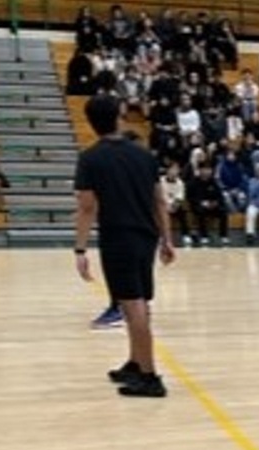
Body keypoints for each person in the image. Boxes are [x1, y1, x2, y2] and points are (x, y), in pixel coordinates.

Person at [74, 94, 176, 398]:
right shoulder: (143, 155)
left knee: (132, 305)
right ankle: (136, 362)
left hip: (118, 238)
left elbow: (87, 207)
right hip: (146, 237)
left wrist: (80, 249)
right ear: (119, 116)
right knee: (139, 301)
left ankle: (150, 377)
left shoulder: (90, 158)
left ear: (91, 123)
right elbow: (160, 200)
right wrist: (167, 239)